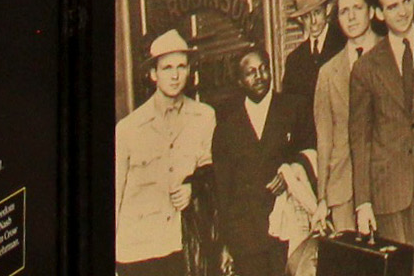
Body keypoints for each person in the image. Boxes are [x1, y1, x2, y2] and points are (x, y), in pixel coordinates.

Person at [352, 0, 414, 273]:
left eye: (406, 1)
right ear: (378, 13)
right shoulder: (365, 68)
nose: (402, 12)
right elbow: (360, 139)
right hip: (389, 189)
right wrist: (363, 202)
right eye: (392, 6)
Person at [113, 29, 217, 275]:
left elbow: (210, 169)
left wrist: (193, 187)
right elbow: (114, 193)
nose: (175, 75)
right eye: (167, 68)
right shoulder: (128, 128)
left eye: (181, 67)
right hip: (135, 250)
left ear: (189, 71)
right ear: (153, 74)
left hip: (178, 247)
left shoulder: (204, 117)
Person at [215, 42, 302, 276]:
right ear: (239, 81)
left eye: (263, 69)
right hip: (246, 237)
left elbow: (307, 153)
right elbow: (224, 189)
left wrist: (290, 175)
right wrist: (227, 243)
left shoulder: (291, 109)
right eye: (251, 72)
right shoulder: (227, 127)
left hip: (286, 229)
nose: (260, 76)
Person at [313, 0, 379, 238]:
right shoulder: (328, 73)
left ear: (371, 11)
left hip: (386, 182)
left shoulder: (391, 53)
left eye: (357, 8)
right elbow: (324, 140)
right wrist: (322, 197)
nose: (351, 17)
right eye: (343, 11)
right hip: (343, 189)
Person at [273, 0, 339, 176]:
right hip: (312, 150)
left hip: (341, 144)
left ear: (327, 10)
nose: (313, 22)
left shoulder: (343, 44)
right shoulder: (294, 60)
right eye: (306, 17)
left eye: (316, 13)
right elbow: (289, 110)